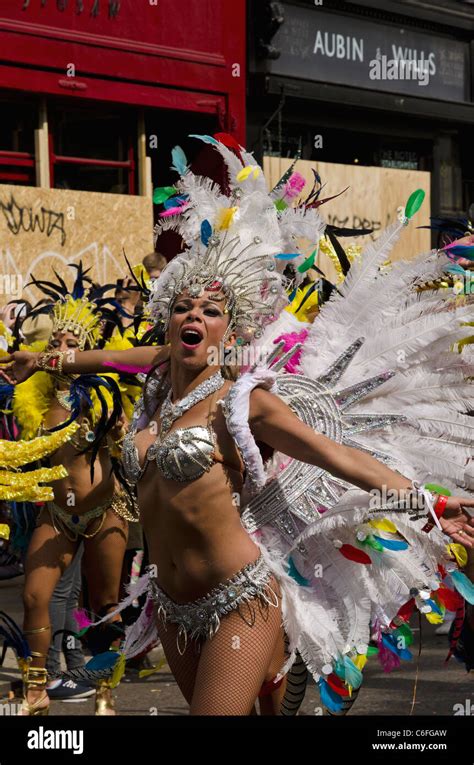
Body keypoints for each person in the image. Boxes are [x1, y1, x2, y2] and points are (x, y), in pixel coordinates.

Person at [1, 136, 473, 716]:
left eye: (211, 310)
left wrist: (423, 502)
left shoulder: (243, 401)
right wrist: (44, 360)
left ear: (232, 329)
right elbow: (104, 360)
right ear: (166, 319)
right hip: (170, 607)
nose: (194, 315)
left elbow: (340, 458)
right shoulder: (155, 381)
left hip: (239, 598)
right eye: (183, 307)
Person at [0, 265, 140, 716]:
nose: (61, 350)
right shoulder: (37, 396)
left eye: (72, 344)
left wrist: (118, 427)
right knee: (34, 596)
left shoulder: (104, 390)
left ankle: (104, 691)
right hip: (57, 513)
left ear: (87, 351)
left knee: (103, 606)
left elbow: (124, 443)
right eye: (56, 342)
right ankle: (36, 688)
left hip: (105, 511)